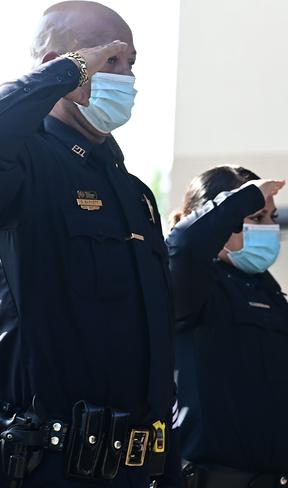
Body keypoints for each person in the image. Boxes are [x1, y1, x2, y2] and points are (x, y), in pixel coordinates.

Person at [0, 2, 179, 487]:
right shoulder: (24, 165)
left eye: (131, 63)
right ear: (56, 66)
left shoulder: (133, 192)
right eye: (108, 60)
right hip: (52, 467)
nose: (125, 76)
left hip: (139, 466)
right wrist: (66, 72)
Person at [166, 166, 288, 488]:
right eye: (256, 217)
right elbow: (183, 246)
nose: (269, 227)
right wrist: (244, 198)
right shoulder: (195, 289)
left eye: (273, 217)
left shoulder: (275, 298)